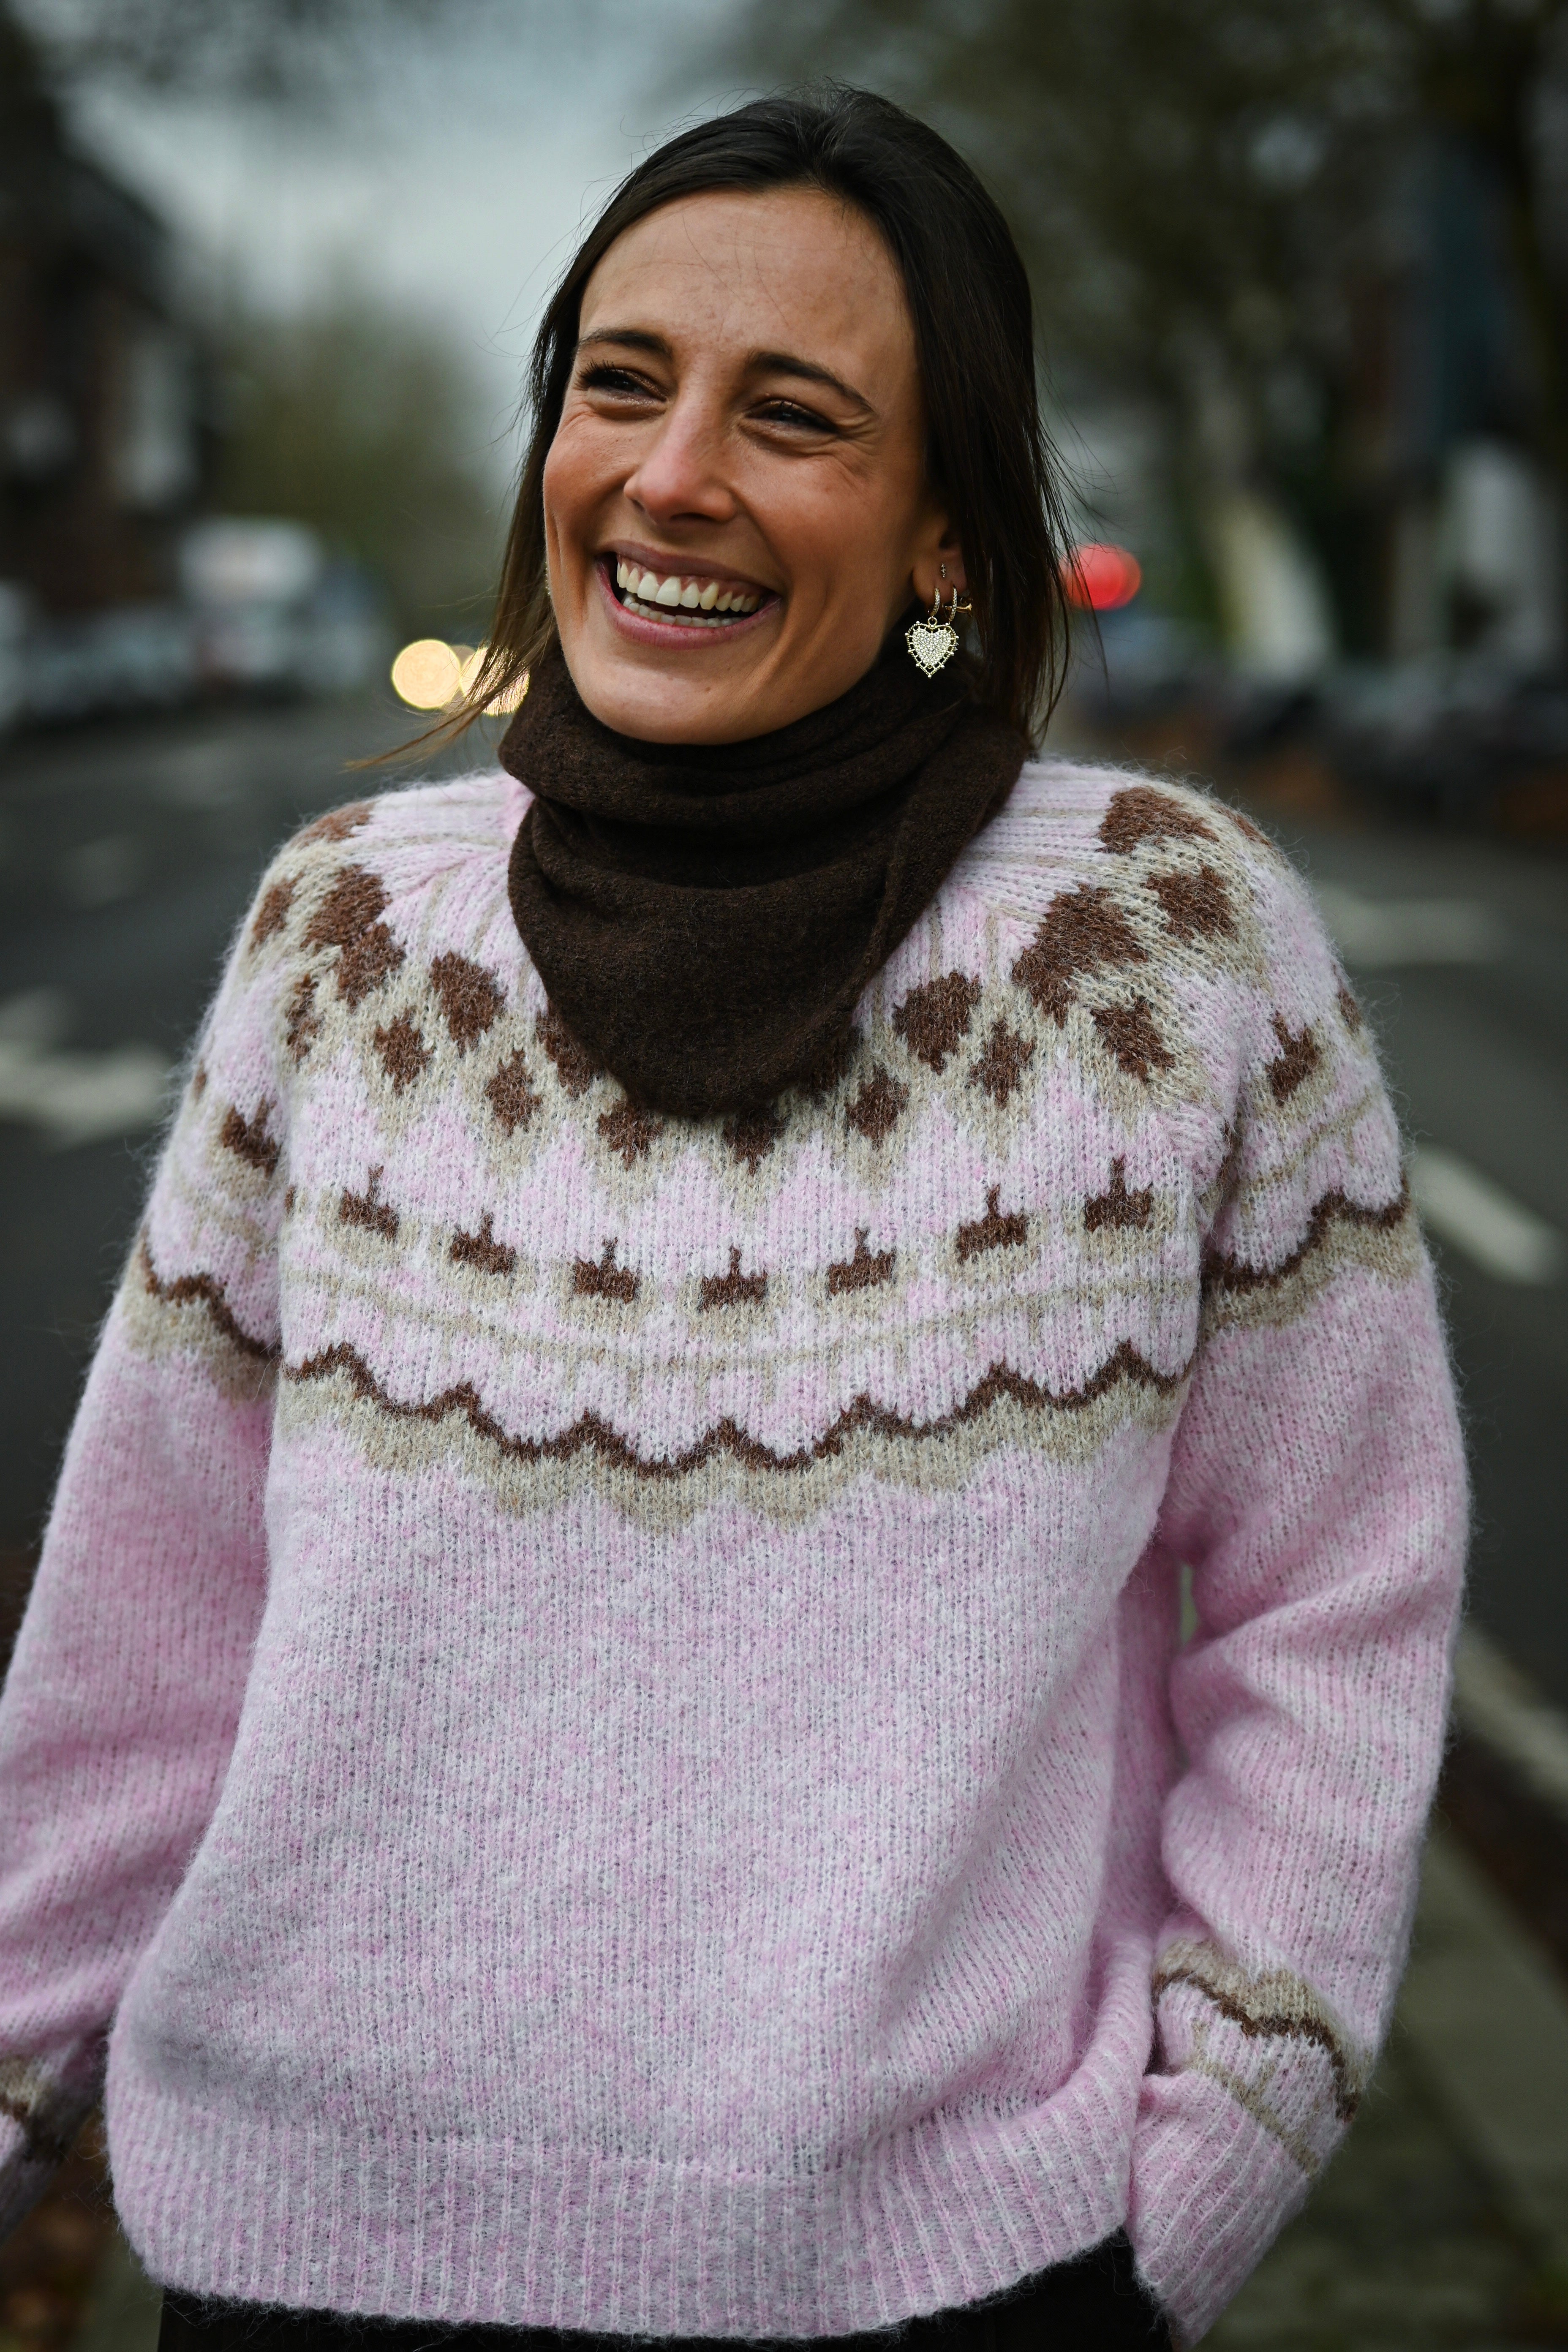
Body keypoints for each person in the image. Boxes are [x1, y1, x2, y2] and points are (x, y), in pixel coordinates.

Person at [0, 84, 1465, 2352]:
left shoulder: (1167, 950)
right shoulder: (347, 935)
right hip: (297, 2264)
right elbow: (146, 1615)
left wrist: (1209, 2166)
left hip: (947, 2288)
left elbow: (1334, 1597)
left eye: (793, 417)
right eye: (620, 384)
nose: (672, 475)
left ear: (949, 533)